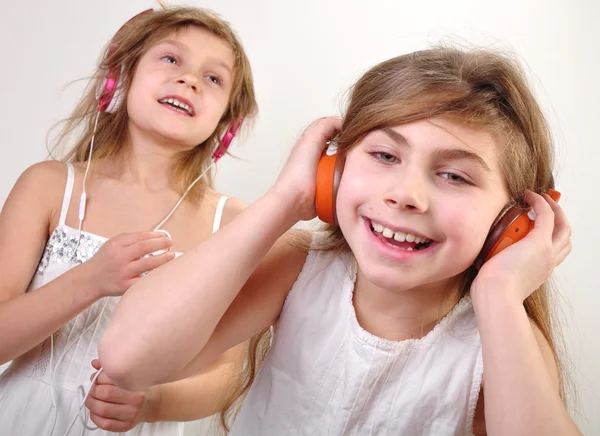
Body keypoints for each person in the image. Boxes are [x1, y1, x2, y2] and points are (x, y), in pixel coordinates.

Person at [100, 46, 580, 435]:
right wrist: (285, 199)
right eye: (385, 155)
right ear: (333, 169)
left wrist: (499, 293)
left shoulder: (501, 341)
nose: (405, 195)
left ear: (514, 222)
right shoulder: (299, 267)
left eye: (454, 175)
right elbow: (127, 360)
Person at [0, 4, 257, 435]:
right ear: (118, 79)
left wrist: (154, 402)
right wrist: (92, 279)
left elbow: (230, 371)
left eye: (214, 78)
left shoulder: (231, 224)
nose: (189, 79)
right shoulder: (48, 186)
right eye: (171, 59)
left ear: (226, 124)